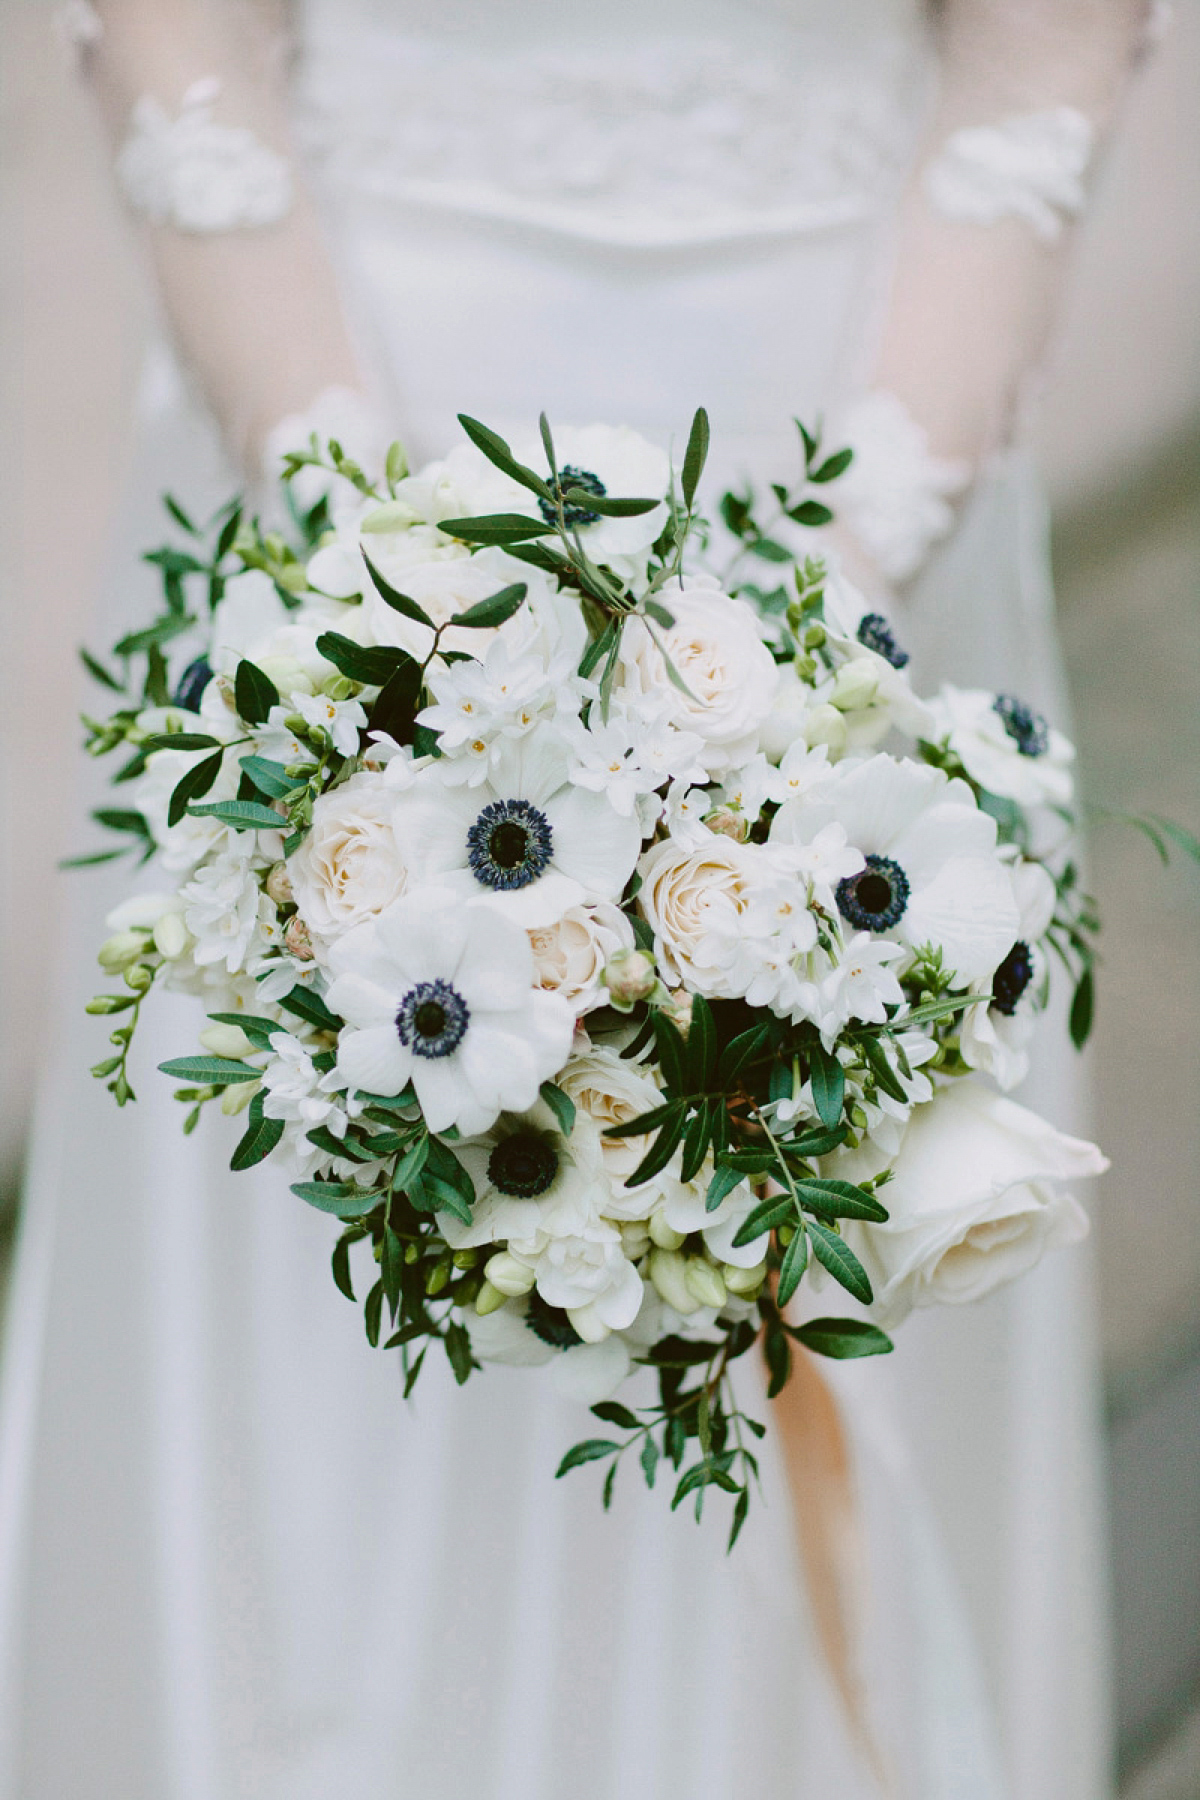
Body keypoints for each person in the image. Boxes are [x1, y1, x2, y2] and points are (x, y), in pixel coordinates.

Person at [0, 1, 1154, 1795]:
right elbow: (177, 39)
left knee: (807, 1214)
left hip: (840, 462)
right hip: (330, 420)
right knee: (319, 1326)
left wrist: (801, 670)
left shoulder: (834, 622)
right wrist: (373, 620)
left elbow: (1042, 53)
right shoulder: (343, 568)